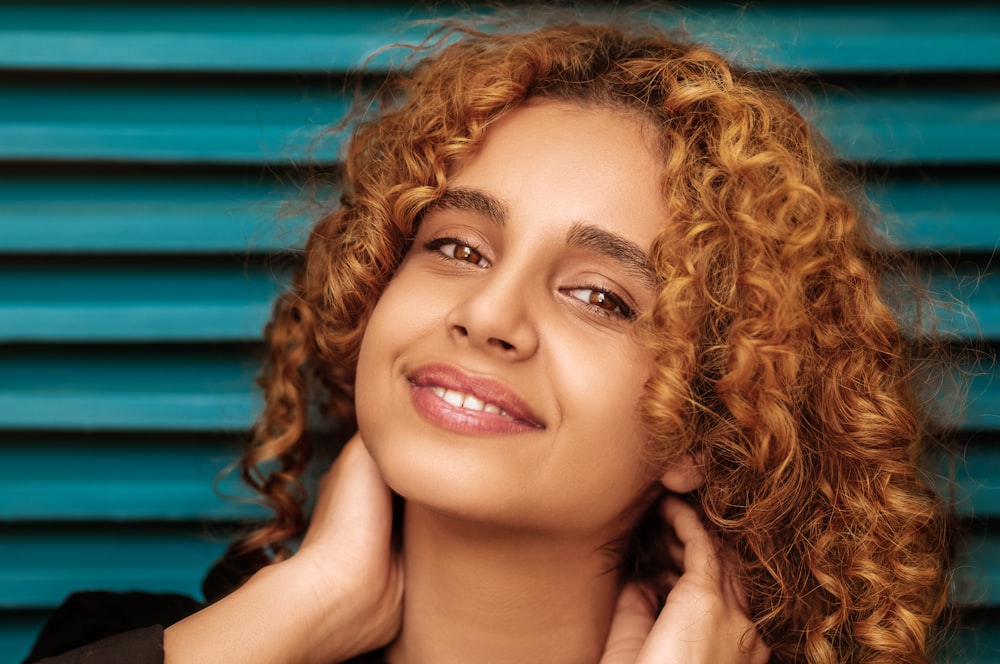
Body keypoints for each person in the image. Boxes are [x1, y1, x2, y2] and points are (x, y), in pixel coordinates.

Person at [27, 11, 954, 664]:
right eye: (458, 247)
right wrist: (303, 610)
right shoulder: (146, 650)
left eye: (599, 296)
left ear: (706, 431)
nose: (488, 317)